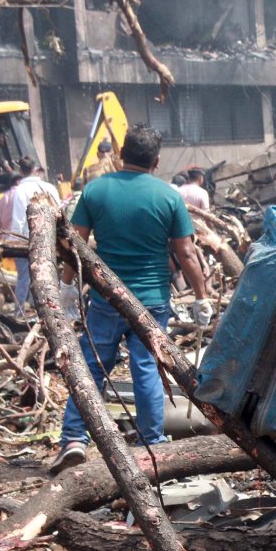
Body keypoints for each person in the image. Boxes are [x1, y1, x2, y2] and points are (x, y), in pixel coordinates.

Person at [50, 124, 213, 474]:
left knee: (91, 366)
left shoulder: (95, 191)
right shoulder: (168, 196)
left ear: (122, 154)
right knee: (147, 369)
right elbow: (186, 253)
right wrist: (201, 297)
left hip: (107, 298)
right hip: (151, 300)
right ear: (157, 161)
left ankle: (74, 439)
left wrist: (66, 285)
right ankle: (152, 444)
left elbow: (73, 245)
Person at [9, 157, 61, 317]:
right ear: (35, 169)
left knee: (24, 278)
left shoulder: (20, 191)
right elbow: (59, 212)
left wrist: (12, 242)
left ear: (21, 171)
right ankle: (47, 311)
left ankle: (19, 313)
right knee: (46, 276)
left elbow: (18, 220)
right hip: (49, 239)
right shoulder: (49, 187)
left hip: (26, 240)